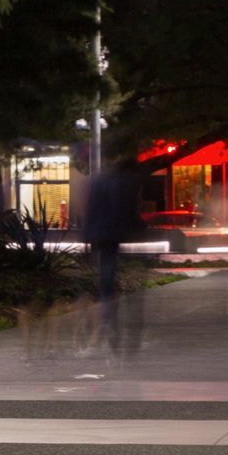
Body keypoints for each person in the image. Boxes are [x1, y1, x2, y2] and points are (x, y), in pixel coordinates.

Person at [81, 146, 148, 356]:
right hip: (117, 232)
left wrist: (88, 236)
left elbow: (89, 208)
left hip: (100, 235)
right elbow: (123, 207)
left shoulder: (96, 179)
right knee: (126, 279)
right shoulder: (122, 180)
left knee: (106, 278)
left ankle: (108, 319)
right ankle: (115, 322)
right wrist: (137, 226)